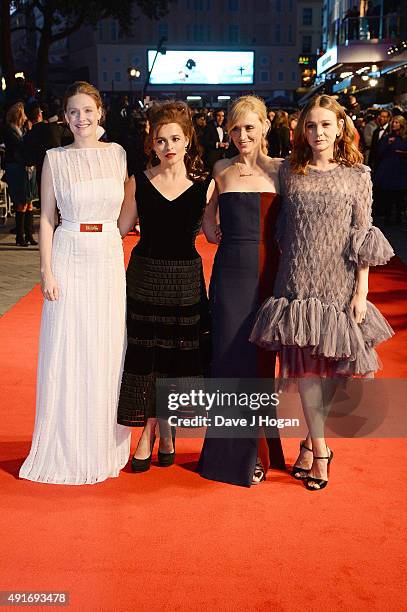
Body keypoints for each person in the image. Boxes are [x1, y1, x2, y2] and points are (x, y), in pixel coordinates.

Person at [250, 95, 394, 491]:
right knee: (305, 370)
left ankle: (311, 445)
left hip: (338, 283)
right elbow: (250, 171)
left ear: (340, 128)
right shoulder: (289, 172)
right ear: (302, 131)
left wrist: (362, 290)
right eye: (311, 126)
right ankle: (322, 450)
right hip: (296, 283)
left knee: (326, 372)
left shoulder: (357, 175)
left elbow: (362, 234)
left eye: (326, 125)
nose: (318, 133)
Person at [19, 81, 131, 484]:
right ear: (64, 118)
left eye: (87, 111)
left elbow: (126, 215)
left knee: (104, 346)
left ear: (99, 111)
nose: (81, 119)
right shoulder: (55, 158)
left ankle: (103, 443)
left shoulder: (118, 155)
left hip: (106, 253)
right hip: (69, 251)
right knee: (68, 346)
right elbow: (46, 218)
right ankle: (65, 442)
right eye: (72, 113)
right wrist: (47, 271)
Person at [116, 101, 213, 473]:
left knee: (175, 359)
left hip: (185, 282)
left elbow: (214, 231)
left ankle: (164, 429)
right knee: (148, 357)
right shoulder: (137, 182)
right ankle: (149, 430)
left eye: (175, 138)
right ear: (151, 144)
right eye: (161, 140)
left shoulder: (206, 186)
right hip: (145, 278)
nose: (168, 146)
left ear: (188, 140)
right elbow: (120, 230)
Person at [197, 95, 286, 487]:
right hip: (230, 273)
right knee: (229, 358)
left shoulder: (283, 171)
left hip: (270, 272)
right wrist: (210, 227)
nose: (242, 135)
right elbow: (209, 214)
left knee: (261, 362)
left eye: (250, 127)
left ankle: (261, 451)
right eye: (235, 128)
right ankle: (231, 456)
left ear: (265, 126)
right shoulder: (221, 168)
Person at [3, 102, 37, 246]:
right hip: (17, 167)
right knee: (21, 201)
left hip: (25, 167)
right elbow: (20, 146)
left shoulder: (20, 130)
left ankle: (28, 234)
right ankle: (20, 236)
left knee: (29, 202)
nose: (25, 118)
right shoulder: (10, 130)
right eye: (23, 115)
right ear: (18, 115)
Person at [373, 115, 407, 224]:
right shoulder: (387, 137)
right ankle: (387, 216)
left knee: (399, 194)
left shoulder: (405, 138)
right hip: (388, 168)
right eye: (393, 122)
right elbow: (380, 152)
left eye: (396, 122)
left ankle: (398, 216)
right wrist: (388, 144)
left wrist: (403, 153)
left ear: (401, 124)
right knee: (388, 193)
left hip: (401, 168)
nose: (394, 124)